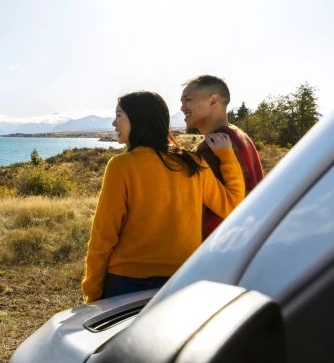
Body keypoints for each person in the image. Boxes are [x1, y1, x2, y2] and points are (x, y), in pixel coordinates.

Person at [81, 91, 244, 303]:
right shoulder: (193, 163)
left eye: (119, 115)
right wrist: (226, 155)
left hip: (126, 282)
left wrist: (92, 292)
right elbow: (232, 206)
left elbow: (104, 235)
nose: (114, 122)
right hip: (181, 281)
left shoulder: (121, 166)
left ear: (139, 119)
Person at [180, 75, 264, 240]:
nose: (182, 107)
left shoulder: (212, 147)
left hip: (218, 242)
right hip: (247, 234)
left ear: (213, 101)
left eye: (188, 100)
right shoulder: (237, 135)